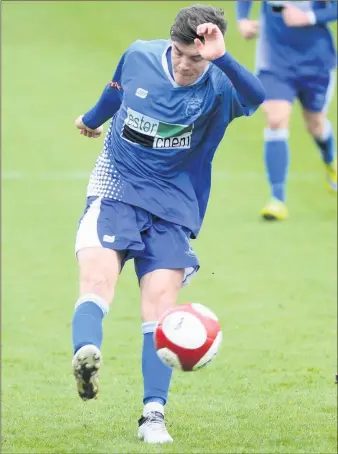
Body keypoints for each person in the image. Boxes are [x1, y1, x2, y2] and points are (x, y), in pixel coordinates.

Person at [72, 3, 265, 444]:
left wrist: (222, 58)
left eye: (194, 57)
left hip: (174, 204)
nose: (184, 64)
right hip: (116, 185)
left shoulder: (220, 83)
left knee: (159, 307)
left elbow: (256, 97)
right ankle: (87, 352)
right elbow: (116, 92)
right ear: (170, 44)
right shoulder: (140, 54)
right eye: (179, 52)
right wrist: (91, 120)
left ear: (211, 52)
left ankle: (152, 415)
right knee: (97, 280)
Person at [236, 1, 337, 221]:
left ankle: (330, 159)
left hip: (317, 63)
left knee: (316, 125)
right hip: (275, 63)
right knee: (275, 119)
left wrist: (308, 17)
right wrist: (242, 19)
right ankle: (277, 199)